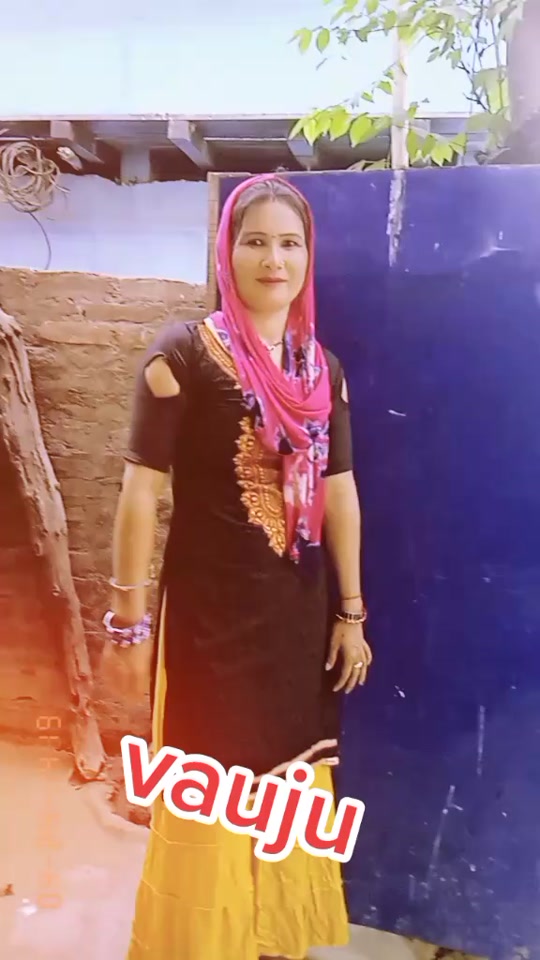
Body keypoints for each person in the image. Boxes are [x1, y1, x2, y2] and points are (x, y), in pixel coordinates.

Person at [101, 173, 373, 960]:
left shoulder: (321, 372)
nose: (273, 260)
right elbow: (141, 492)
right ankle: (203, 943)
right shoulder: (182, 355)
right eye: (255, 241)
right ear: (226, 252)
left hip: (297, 626)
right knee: (210, 788)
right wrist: (127, 624)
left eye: (290, 243)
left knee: (289, 782)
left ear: (308, 257)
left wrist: (351, 614)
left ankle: (270, 939)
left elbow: (339, 491)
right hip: (209, 629)